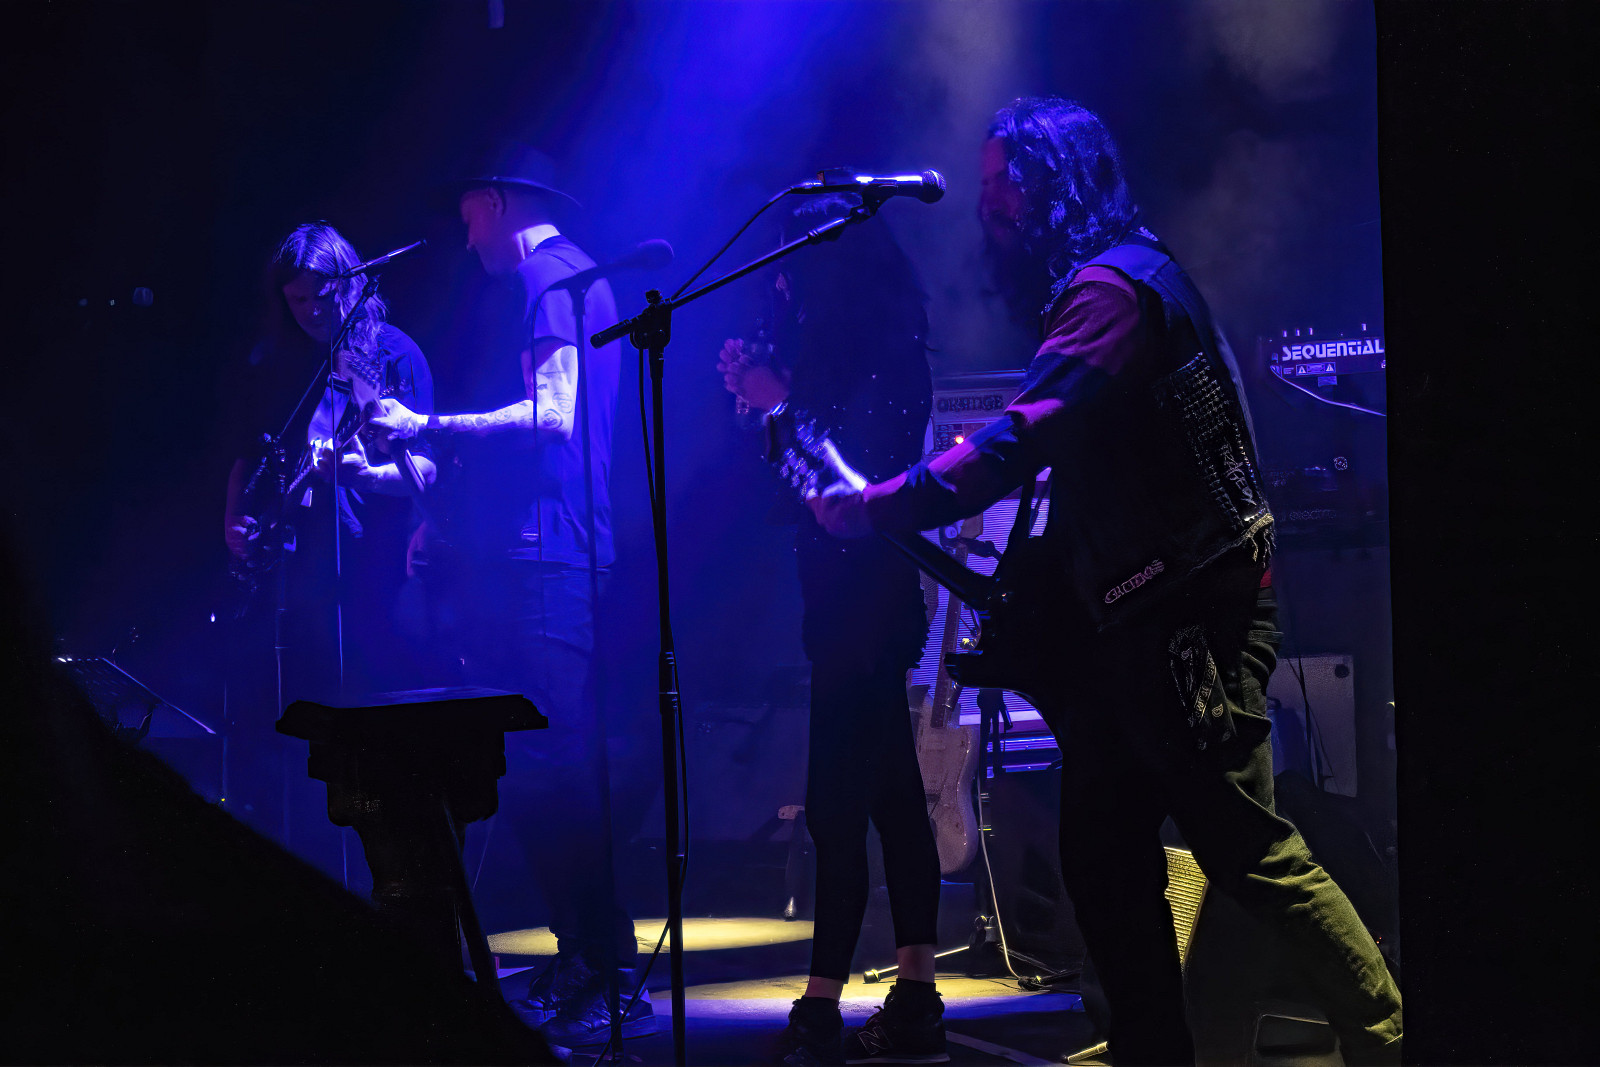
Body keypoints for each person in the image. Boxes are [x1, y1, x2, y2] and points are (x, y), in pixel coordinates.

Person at [808, 98, 1403, 1066]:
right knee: (1104, 860)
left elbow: (1023, 432)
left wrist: (884, 500)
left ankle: (1390, 1033)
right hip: (1134, 627)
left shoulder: (1114, 292)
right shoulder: (1113, 285)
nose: (988, 205)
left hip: (1186, 623)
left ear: (1057, 185)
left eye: (1004, 185)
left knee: (1246, 848)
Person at [369, 143, 647, 1048]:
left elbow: (552, 418)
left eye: (467, 217)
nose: (464, 238)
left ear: (491, 203)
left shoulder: (548, 279)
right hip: (548, 553)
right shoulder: (576, 277)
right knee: (537, 770)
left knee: (550, 769)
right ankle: (586, 954)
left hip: (552, 560)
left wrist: (425, 424)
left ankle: (611, 968)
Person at [718, 192, 946, 1066]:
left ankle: (823, 1005)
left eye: (792, 265)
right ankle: (913, 997)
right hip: (836, 595)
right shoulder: (838, 349)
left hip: (869, 594)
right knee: (886, 794)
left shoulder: (888, 350)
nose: (780, 284)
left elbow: (863, 480)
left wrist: (779, 399)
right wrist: (764, 407)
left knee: (839, 798)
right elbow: (803, 482)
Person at [222, 222, 436, 867]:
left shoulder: (391, 355)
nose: (312, 311)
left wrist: (361, 475)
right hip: (291, 577)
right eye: (297, 300)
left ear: (350, 284)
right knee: (293, 736)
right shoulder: (281, 360)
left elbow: (427, 471)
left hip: (368, 574)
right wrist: (235, 519)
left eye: (323, 296)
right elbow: (247, 453)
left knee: (369, 733)